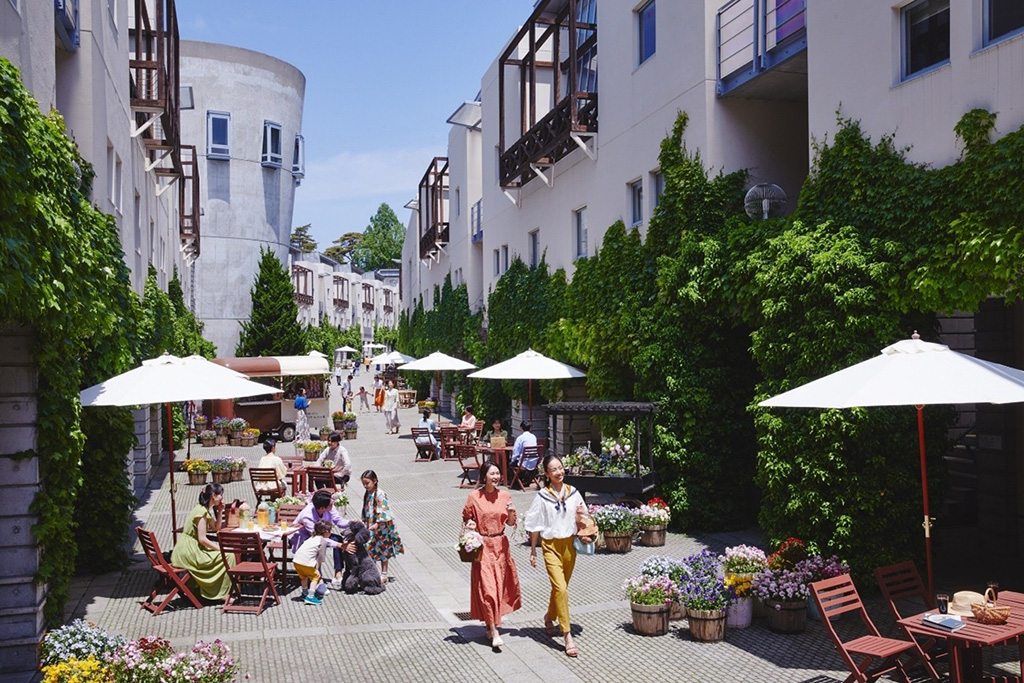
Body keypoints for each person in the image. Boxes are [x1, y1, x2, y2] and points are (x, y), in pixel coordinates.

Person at [525, 455, 585, 658]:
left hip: (569, 546)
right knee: (560, 588)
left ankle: (549, 617)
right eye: (554, 469)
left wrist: (580, 518)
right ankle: (567, 635)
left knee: (561, 589)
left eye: (561, 468)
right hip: (550, 547)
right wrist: (534, 550)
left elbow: (583, 517)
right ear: (547, 474)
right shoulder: (542, 496)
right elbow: (535, 524)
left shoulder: (573, 493)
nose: (559, 472)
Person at [462, 460, 522, 650]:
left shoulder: (505, 495)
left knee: (498, 587)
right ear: (484, 476)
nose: (496, 477)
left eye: (497, 474)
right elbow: (467, 518)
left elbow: (511, 523)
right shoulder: (474, 496)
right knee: (487, 588)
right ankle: (494, 631)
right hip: (482, 545)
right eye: (492, 474)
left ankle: (490, 624)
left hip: (501, 546)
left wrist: (512, 513)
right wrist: (470, 525)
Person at [170, 483, 233, 601]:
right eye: (221, 495)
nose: (222, 498)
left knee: (226, 555)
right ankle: (222, 593)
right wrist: (220, 549)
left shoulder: (202, 509)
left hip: (187, 549)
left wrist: (220, 511)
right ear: (213, 496)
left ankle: (218, 590)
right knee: (228, 556)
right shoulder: (201, 513)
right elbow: (202, 539)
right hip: (189, 552)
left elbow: (216, 528)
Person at [291, 489, 354, 590]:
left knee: (338, 539)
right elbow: (317, 538)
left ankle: (338, 574)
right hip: (304, 539)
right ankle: (318, 577)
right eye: (330, 504)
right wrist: (340, 545)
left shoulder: (329, 506)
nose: (332, 504)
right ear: (322, 508)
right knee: (320, 546)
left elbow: (338, 521)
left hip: (322, 536)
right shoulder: (308, 516)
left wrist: (351, 523)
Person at [361, 470, 404, 583]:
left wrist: (378, 523)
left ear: (374, 481)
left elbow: (384, 510)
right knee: (370, 548)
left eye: (367, 483)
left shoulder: (380, 493)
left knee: (383, 549)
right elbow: (366, 508)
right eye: (363, 483)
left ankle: (384, 574)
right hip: (371, 525)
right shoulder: (368, 493)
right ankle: (373, 571)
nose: (365, 486)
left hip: (382, 528)